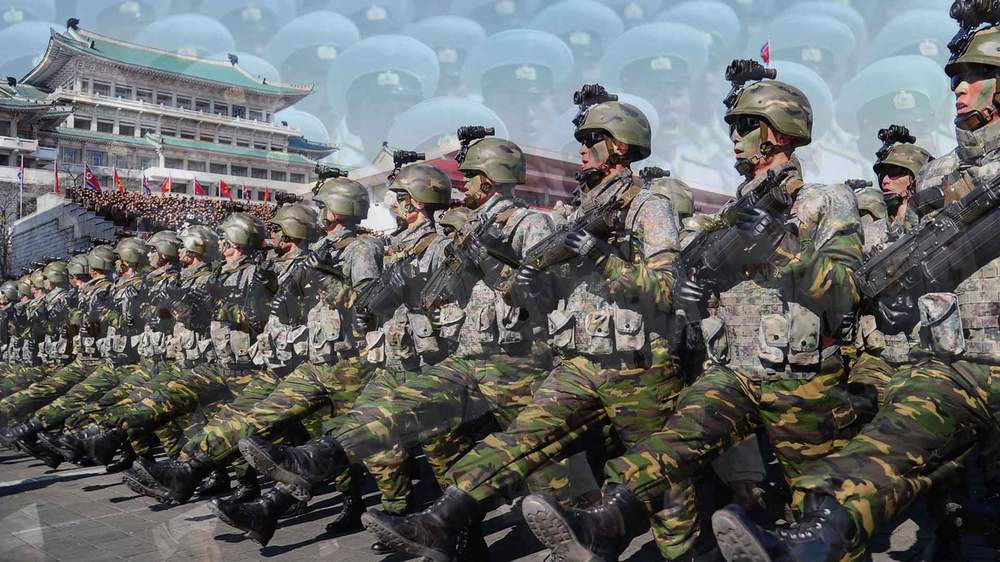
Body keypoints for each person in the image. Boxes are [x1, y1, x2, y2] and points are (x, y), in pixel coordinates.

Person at [518, 64, 863, 562]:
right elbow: (693, 294)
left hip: (802, 379)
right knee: (672, 443)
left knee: (820, 508)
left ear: (779, 133)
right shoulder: (726, 217)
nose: (734, 137)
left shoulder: (825, 200)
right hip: (733, 370)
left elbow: (846, 292)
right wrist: (692, 294)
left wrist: (781, 245)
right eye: (732, 127)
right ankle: (600, 521)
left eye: (745, 126)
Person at [708, 10, 1000, 562]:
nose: (960, 89)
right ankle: (815, 537)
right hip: (957, 363)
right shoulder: (942, 174)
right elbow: (910, 260)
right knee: (880, 451)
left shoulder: (827, 201)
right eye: (957, 77)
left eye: (977, 74)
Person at [360, 91, 686, 561]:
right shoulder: (579, 211)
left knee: (659, 476)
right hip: (579, 359)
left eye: (591, 140)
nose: (581, 149)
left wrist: (601, 258)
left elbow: (666, 290)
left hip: (639, 366)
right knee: (519, 439)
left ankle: (675, 551)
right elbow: (544, 299)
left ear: (618, 145)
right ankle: (438, 521)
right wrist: (520, 278)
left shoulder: (649, 207)